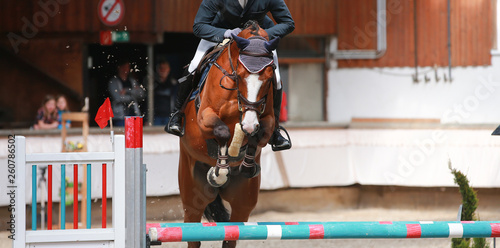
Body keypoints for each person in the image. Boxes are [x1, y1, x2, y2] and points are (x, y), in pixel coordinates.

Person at [165, 0, 295, 151]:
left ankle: (276, 131)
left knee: (277, 78)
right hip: (223, 33)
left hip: (258, 42)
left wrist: (262, 36)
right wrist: (225, 33)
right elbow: (198, 26)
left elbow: (288, 23)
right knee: (194, 65)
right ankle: (176, 115)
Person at [108, 58, 145, 126]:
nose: (126, 69)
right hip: (120, 115)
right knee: (122, 135)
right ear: (119, 67)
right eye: (124, 67)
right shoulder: (113, 82)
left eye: (127, 67)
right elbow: (118, 98)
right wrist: (133, 96)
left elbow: (141, 94)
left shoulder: (132, 81)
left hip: (134, 112)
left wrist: (127, 91)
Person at [152, 58, 178, 125]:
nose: (162, 70)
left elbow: (177, 102)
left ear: (168, 69)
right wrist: (147, 119)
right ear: (157, 70)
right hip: (155, 118)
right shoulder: (152, 85)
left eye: (164, 68)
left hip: (170, 117)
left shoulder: (174, 84)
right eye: (160, 68)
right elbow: (147, 102)